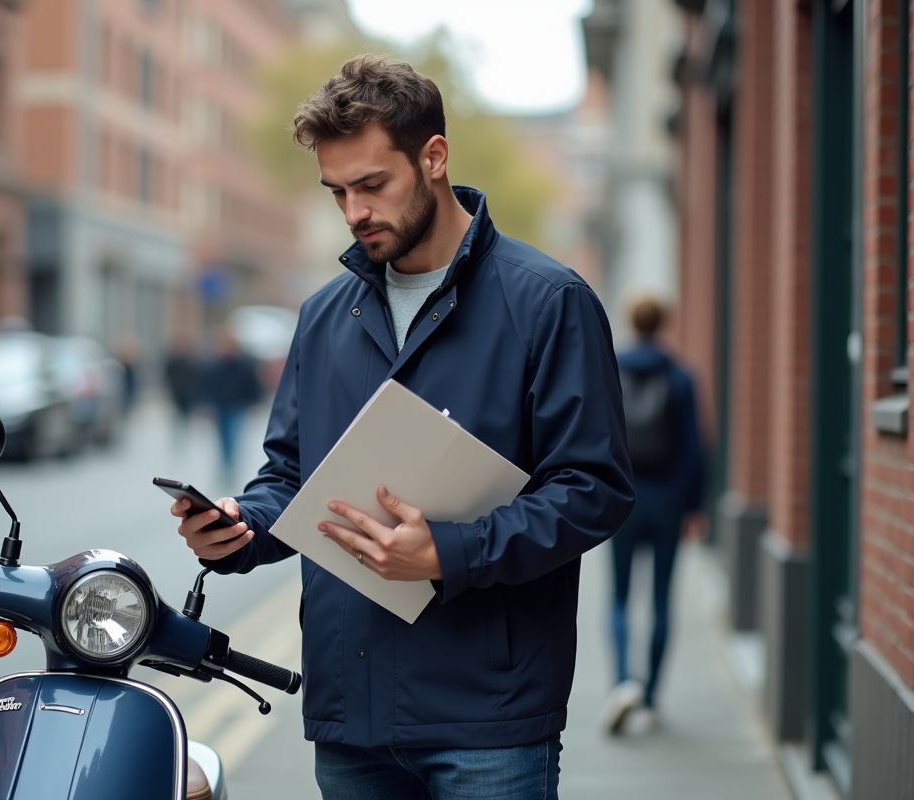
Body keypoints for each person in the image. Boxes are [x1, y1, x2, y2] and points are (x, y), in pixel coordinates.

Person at [168, 55, 634, 800]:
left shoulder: (550, 302)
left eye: (372, 185)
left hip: (490, 716)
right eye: (337, 192)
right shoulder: (325, 316)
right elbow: (289, 474)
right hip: (350, 716)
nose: (354, 210)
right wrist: (241, 530)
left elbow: (594, 489)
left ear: (434, 157)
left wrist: (449, 551)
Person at [600, 296, 705, 735]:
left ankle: (624, 682)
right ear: (663, 324)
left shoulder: (609, 369)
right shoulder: (680, 376)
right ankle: (651, 697)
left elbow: (598, 436)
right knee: (661, 598)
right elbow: (696, 448)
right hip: (667, 502)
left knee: (620, 598)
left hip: (622, 499)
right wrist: (694, 506)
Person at [201, 327, 262, 483]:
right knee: (222, 439)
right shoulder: (214, 365)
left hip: (237, 406)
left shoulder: (244, 364)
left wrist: (254, 403)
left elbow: (252, 385)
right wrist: (206, 405)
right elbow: (207, 386)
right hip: (220, 406)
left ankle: (230, 468)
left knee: (234, 437)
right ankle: (225, 467)